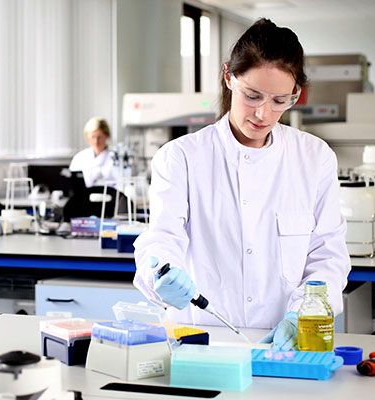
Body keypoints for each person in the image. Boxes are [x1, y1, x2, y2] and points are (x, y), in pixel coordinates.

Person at [132, 18, 350, 351]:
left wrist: (301, 316)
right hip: (201, 340)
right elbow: (161, 239)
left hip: (284, 343)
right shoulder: (181, 157)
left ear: (295, 95)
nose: (263, 113)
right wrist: (160, 275)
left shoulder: (314, 157)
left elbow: (328, 255)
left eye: (280, 101)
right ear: (228, 77)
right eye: (252, 95)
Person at [69, 117, 119, 187]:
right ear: (87, 137)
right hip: (83, 196)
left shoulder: (117, 158)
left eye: (99, 137)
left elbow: (122, 183)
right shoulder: (79, 158)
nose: (96, 141)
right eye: (93, 137)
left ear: (107, 136)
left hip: (110, 196)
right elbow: (71, 181)